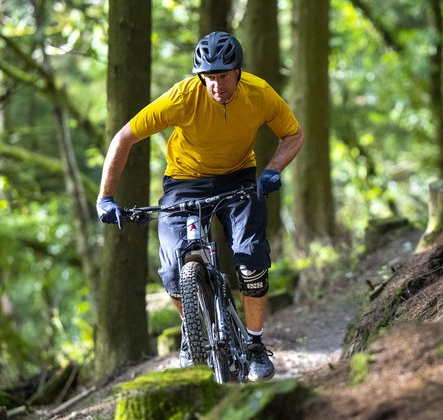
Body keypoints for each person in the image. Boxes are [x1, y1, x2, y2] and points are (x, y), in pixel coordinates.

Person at [96, 31, 303, 381]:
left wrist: (271, 171)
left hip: (239, 177)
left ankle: (254, 345)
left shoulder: (259, 93)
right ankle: (192, 330)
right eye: (209, 77)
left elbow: (293, 134)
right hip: (183, 183)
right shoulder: (182, 97)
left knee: (251, 259)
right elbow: (124, 138)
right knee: (175, 270)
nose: (217, 85)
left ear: (238, 71)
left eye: (224, 75)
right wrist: (106, 197)